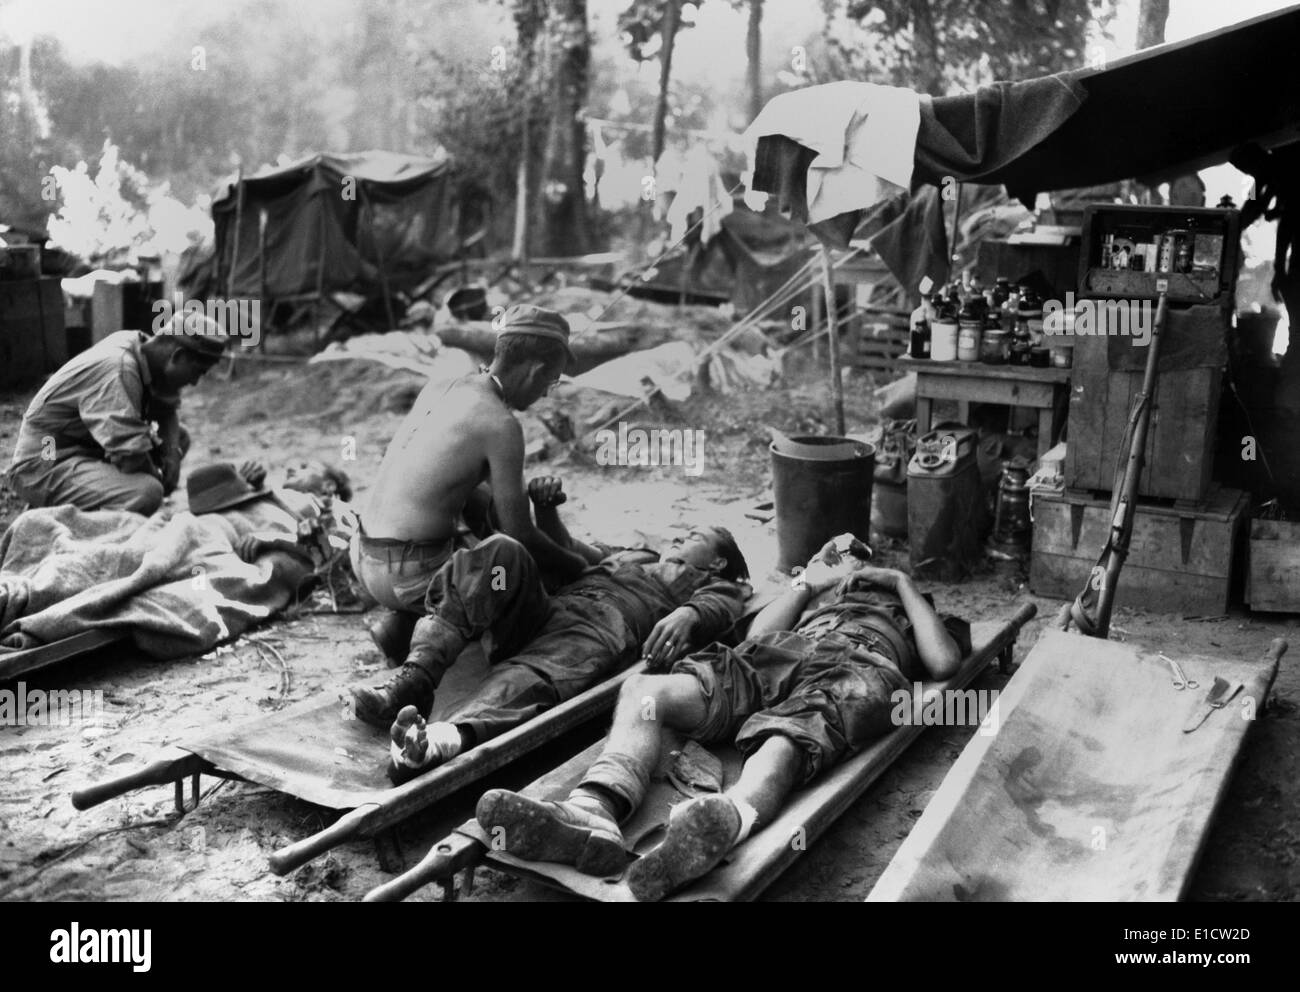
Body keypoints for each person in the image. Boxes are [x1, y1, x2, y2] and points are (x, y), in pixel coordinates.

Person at [476, 535, 968, 901]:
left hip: (857, 665)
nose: (856, 576)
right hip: (781, 651)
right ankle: (594, 810)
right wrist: (808, 584)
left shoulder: (913, 608)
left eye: (866, 571)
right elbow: (756, 634)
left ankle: (720, 826)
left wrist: (900, 584)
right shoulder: (818, 597)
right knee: (648, 690)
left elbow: (944, 664)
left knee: (787, 739)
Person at [351, 480, 750, 764]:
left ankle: (436, 742)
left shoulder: (708, 583)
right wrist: (546, 509)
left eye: (696, 536)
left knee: (531, 674)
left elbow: (725, 605)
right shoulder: (639, 556)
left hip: (598, 629)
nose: (681, 538)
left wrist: (688, 612)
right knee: (502, 552)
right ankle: (415, 679)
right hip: (546, 609)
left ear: (717, 561)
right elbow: (569, 549)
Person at [350, 304, 590, 666]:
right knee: (511, 570)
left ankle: (400, 625)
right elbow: (519, 535)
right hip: (410, 574)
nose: (545, 393)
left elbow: (472, 496)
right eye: (550, 381)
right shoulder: (501, 424)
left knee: (477, 509)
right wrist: (575, 567)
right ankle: (431, 630)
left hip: (363, 558)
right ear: (536, 370)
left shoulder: (441, 384)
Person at [7, 313, 227, 515]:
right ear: (177, 355)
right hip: (46, 456)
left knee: (179, 437)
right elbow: (128, 455)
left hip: (87, 446)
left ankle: (98, 494)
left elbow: (167, 410)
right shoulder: (119, 368)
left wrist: (172, 454)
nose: (195, 381)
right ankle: (52, 511)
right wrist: (159, 478)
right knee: (147, 492)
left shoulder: (147, 351)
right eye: (198, 371)